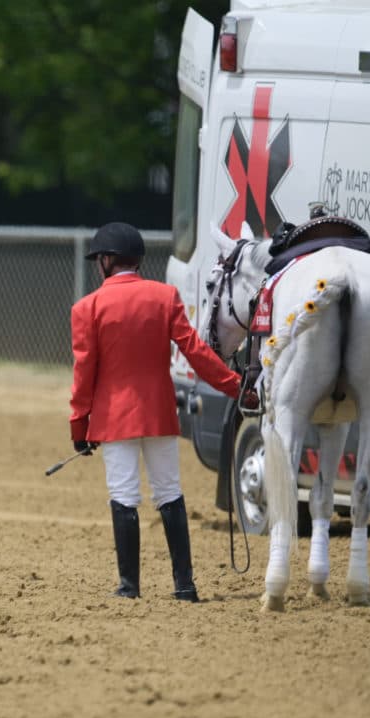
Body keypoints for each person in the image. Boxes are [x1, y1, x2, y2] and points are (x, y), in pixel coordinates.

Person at [70, 222, 241, 602]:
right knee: (169, 493)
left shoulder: (87, 308)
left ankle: (130, 586)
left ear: (107, 261)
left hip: (114, 418)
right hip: (159, 412)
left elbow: (84, 373)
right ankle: (185, 586)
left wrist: (79, 427)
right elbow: (195, 352)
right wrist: (234, 384)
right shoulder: (165, 296)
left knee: (124, 494)